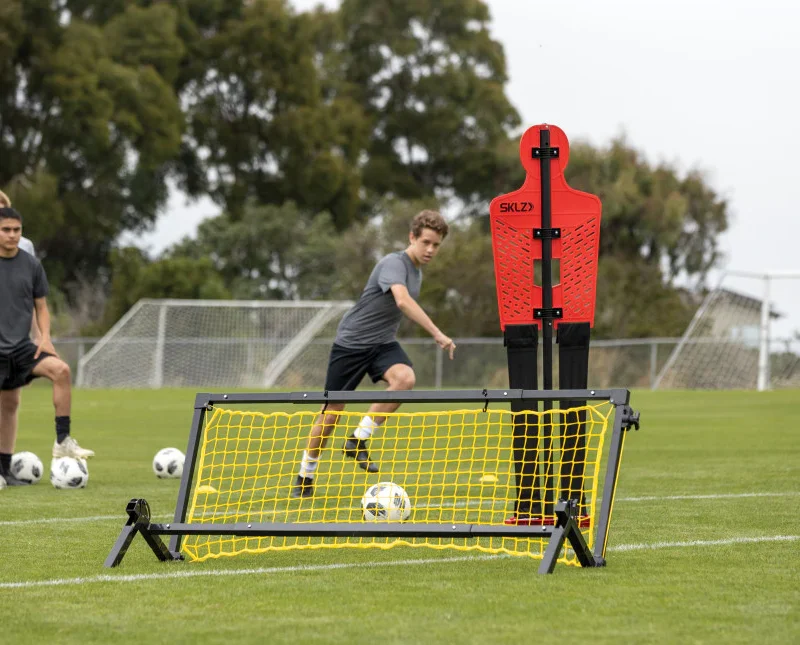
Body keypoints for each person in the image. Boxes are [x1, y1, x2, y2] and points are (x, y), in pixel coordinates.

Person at [291, 209, 456, 498]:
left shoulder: (417, 272)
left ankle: (357, 441)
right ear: (412, 237)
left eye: (436, 245)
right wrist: (437, 333)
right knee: (331, 415)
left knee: (405, 379)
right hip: (351, 344)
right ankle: (305, 474)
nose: (431, 249)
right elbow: (402, 302)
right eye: (426, 242)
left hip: (381, 343)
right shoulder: (394, 263)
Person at [0, 204, 94, 487]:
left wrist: (45, 338)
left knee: (61, 370)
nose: (12, 235)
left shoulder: (31, 265)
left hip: (21, 348)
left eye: (17, 230)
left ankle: (62, 441)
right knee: (8, 404)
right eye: (6, 230)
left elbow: (41, 307)